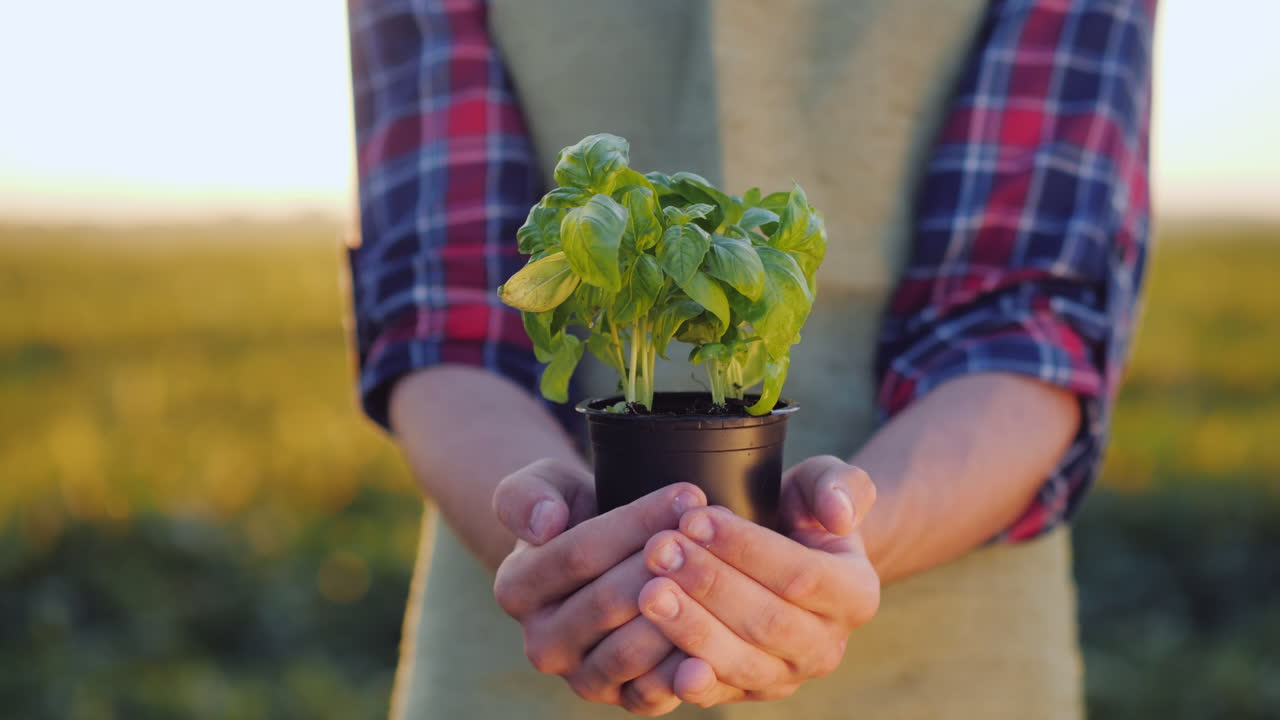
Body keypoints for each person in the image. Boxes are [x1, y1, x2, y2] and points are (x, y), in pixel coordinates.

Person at [345, 0, 1153, 717]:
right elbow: (440, 304)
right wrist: (564, 557)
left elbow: (1026, 314)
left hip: (944, 660)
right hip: (526, 646)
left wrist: (838, 549)